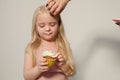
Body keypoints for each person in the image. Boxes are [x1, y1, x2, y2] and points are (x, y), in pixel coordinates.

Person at [23, 5, 76, 80]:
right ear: (36, 27)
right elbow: (27, 77)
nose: (47, 29)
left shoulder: (63, 45)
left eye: (52, 24)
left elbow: (71, 72)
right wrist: (38, 69)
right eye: (42, 26)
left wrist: (62, 65)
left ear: (59, 24)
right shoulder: (32, 47)